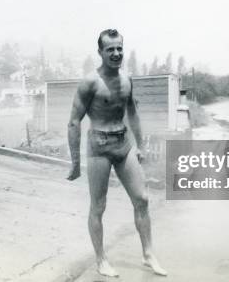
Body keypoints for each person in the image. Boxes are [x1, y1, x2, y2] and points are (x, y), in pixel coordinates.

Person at [67, 29, 167, 277]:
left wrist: (141, 146)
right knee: (98, 206)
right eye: (110, 49)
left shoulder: (126, 79)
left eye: (119, 48)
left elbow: (132, 112)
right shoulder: (90, 82)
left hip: (123, 144)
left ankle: (148, 255)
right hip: (98, 148)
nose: (116, 53)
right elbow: (73, 122)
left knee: (142, 199)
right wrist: (75, 162)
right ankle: (101, 259)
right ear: (100, 52)